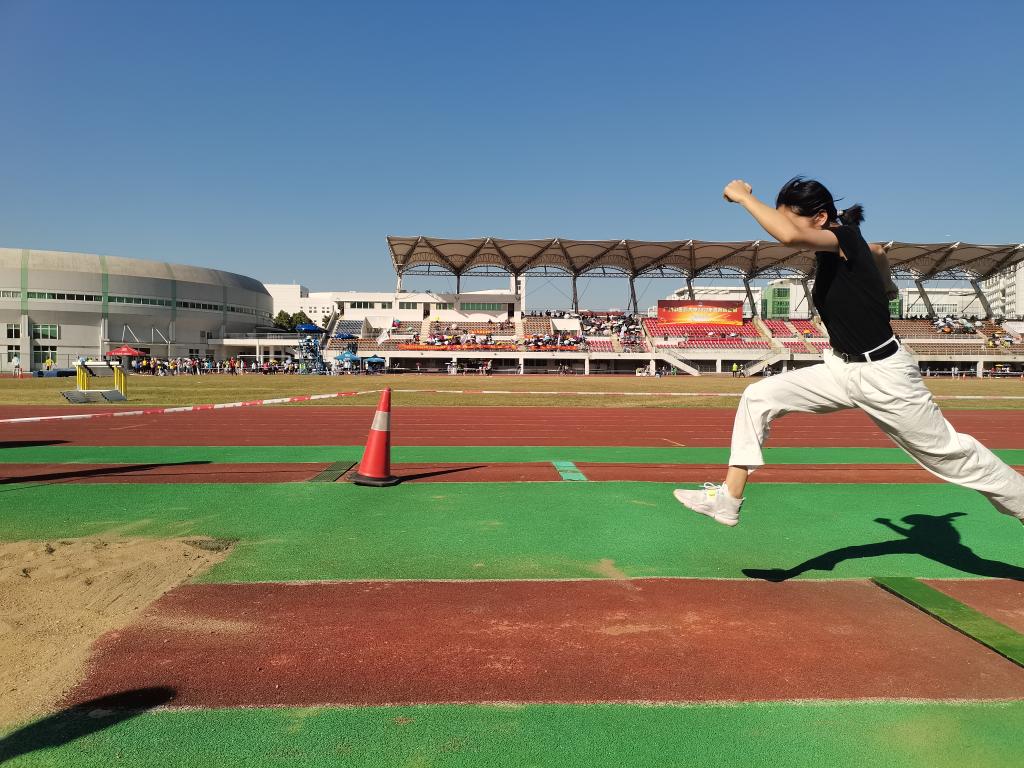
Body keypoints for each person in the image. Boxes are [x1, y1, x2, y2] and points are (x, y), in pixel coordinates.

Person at [674, 177, 1024, 527]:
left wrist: (744, 198)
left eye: (789, 218)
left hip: (884, 375)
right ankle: (729, 499)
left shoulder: (844, 238)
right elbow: (878, 251)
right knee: (757, 397)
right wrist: (887, 285)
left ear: (820, 219)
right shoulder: (841, 246)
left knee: (950, 455)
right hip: (840, 368)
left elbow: (790, 236)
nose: (783, 227)